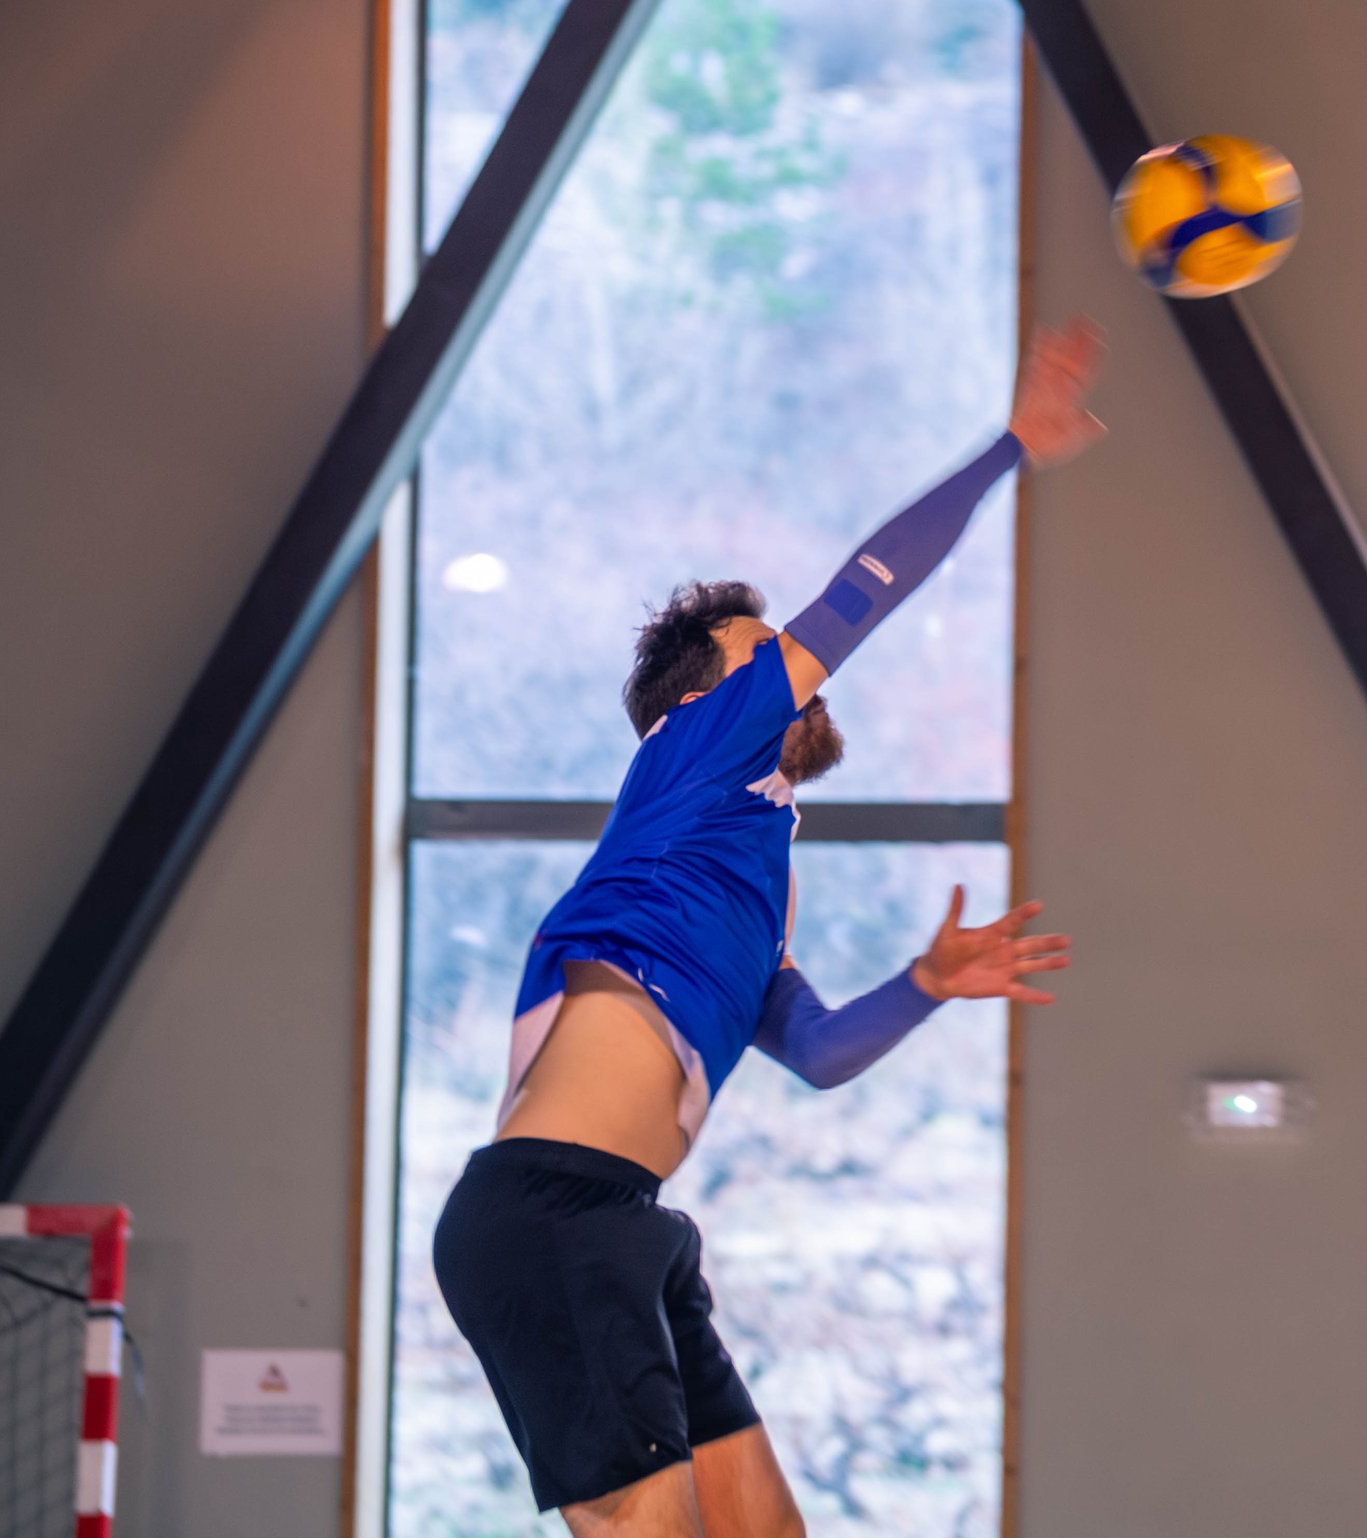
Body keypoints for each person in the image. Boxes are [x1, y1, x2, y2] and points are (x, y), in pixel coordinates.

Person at [433, 320, 1107, 1538]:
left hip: (631, 1227)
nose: (803, 677)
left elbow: (826, 1053)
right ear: (704, 699)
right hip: (546, 1215)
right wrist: (1010, 445)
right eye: (766, 660)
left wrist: (924, 980)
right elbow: (866, 589)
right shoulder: (687, 752)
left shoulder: (747, 871)